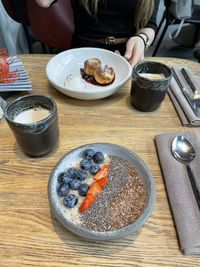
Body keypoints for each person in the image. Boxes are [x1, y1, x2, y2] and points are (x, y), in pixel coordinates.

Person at [34, 0, 159, 66]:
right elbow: (43, 2)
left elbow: (149, 24)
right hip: (82, 54)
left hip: (126, 57)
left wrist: (142, 39)